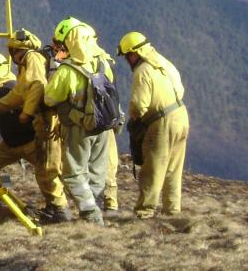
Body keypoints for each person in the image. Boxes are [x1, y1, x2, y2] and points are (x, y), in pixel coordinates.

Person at [0, 51, 70, 222]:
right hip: (10, 145)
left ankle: (60, 208)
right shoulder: (4, 88)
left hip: (31, 143)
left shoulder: (11, 87)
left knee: (50, 174)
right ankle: (4, 195)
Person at [44, 17, 115, 225]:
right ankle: (96, 207)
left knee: (73, 174)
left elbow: (50, 98)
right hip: (103, 128)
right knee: (97, 171)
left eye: (62, 44)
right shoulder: (103, 64)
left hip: (78, 128)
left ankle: (90, 213)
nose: (60, 48)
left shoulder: (67, 70)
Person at [118, 31, 190, 219]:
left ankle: (145, 211)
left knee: (153, 168)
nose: (127, 60)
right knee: (174, 169)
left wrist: (134, 122)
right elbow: (180, 90)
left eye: (127, 56)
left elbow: (139, 105)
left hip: (161, 122)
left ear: (134, 54)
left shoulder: (142, 71)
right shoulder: (164, 63)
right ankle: (172, 212)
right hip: (181, 116)